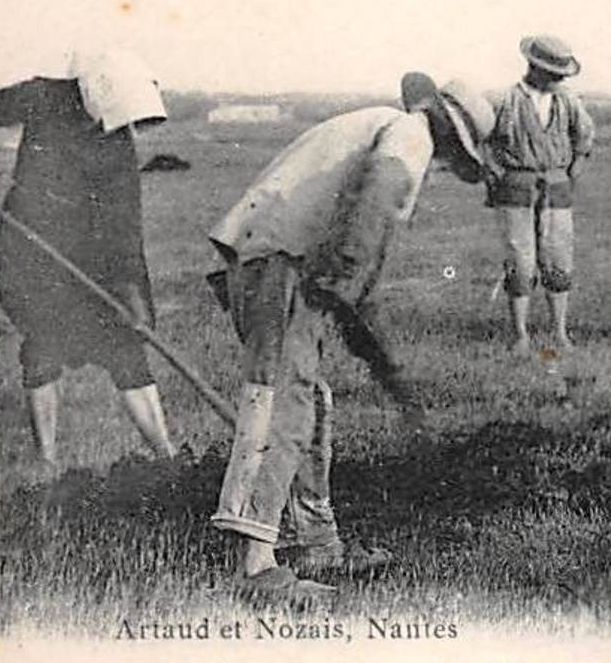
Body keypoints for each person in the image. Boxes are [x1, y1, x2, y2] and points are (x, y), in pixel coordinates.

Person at [205, 72, 494, 601]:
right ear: (453, 136)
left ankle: (317, 542)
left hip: (268, 256)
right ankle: (254, 567)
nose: (449, 169)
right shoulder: (410, 136)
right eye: (457, 159)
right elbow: (369, 218)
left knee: (310, 400)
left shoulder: (379, 125)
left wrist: (355, 308)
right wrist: (343, 293)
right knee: (281, 404)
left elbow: (355, 237)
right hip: (284, 262)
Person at [0, 48, 176, 469]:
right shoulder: (42, 95)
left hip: (92, 259)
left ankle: (167, 457)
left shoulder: (118, 149)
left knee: (127, 350)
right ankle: (47, 465)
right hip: (30, 250)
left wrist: (134, 302)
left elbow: (124, 232)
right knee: (42, 348)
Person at [485, 34, 596, 353]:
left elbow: (585, 136)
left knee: (559, 256)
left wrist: (577, 164)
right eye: (553, 74)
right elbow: (484, 141)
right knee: (520, 259)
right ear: (534, 67)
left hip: (557, 186)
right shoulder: (505, 100)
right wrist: (494, 170)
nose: (558, 80)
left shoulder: (568, 101)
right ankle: (520, 334)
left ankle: (560, 332)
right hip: (516, 185)